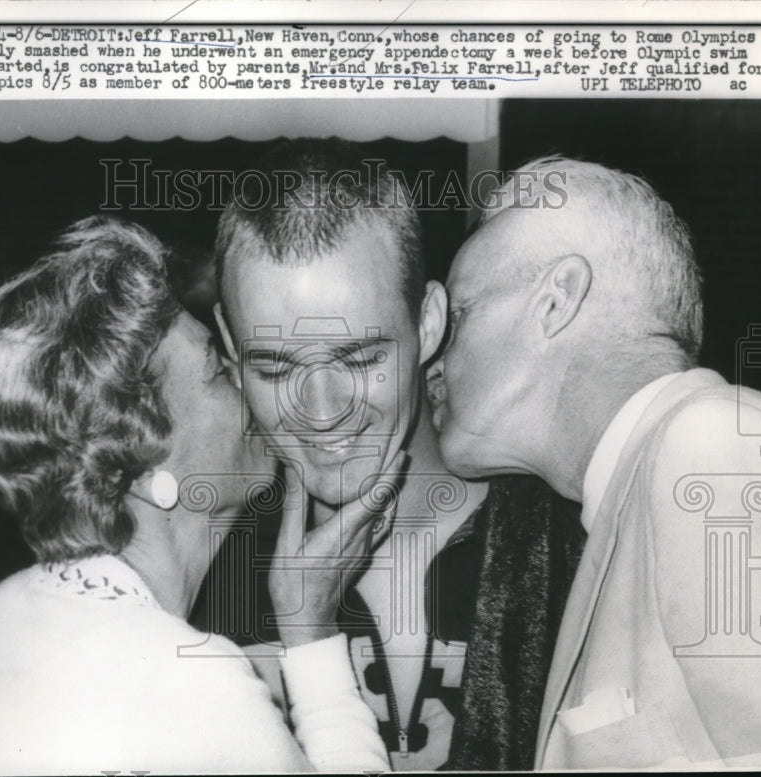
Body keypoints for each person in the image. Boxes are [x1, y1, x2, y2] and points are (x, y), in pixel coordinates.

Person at [0, 216, 393, 775]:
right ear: (146, 467)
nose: (248, 383)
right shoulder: (192, 680)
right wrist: (311, 631)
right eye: (217, 371)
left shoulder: (7, 607)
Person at [214, 139, 584, 770]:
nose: (322, 411)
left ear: (429, 322)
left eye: (360, 360)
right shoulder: (204, 570)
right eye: (275, 369)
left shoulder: (568, 541)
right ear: (228, 343)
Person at [431, 157, 761, 768]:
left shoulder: (708, 449)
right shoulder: (632, 499)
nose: (435, 362)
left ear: (557, 301)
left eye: (460, 316)